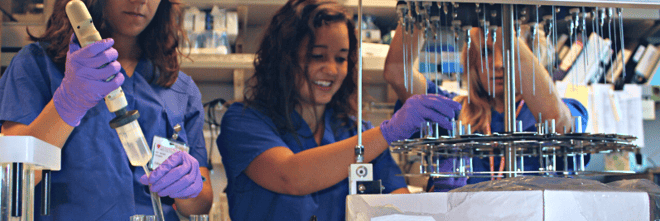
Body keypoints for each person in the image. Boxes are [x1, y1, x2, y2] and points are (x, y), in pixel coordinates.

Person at [216, 0, 461, 220]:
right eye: (317, 55)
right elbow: (290, 175)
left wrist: (440, 194)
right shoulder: (243, 121)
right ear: (284, 59)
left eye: (341, 58)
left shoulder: (356, 131)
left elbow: (399, 208)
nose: (332, 70)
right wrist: (388, 132)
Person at [0, 0, 213, 219]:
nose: (140, 1)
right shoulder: (37, 65)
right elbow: (11, 178)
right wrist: (69, 101)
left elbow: (202, 204)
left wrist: (189, 187)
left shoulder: (179, 87)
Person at [383, 24, 589, 192]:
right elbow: (397, 73)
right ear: (472, 60)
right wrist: (415, 11)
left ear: (532, 58)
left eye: (509, 50)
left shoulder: (565, 109)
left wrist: (500, 21)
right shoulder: (453, 111)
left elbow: (558, 124)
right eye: (486, 52)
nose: (499, 63)